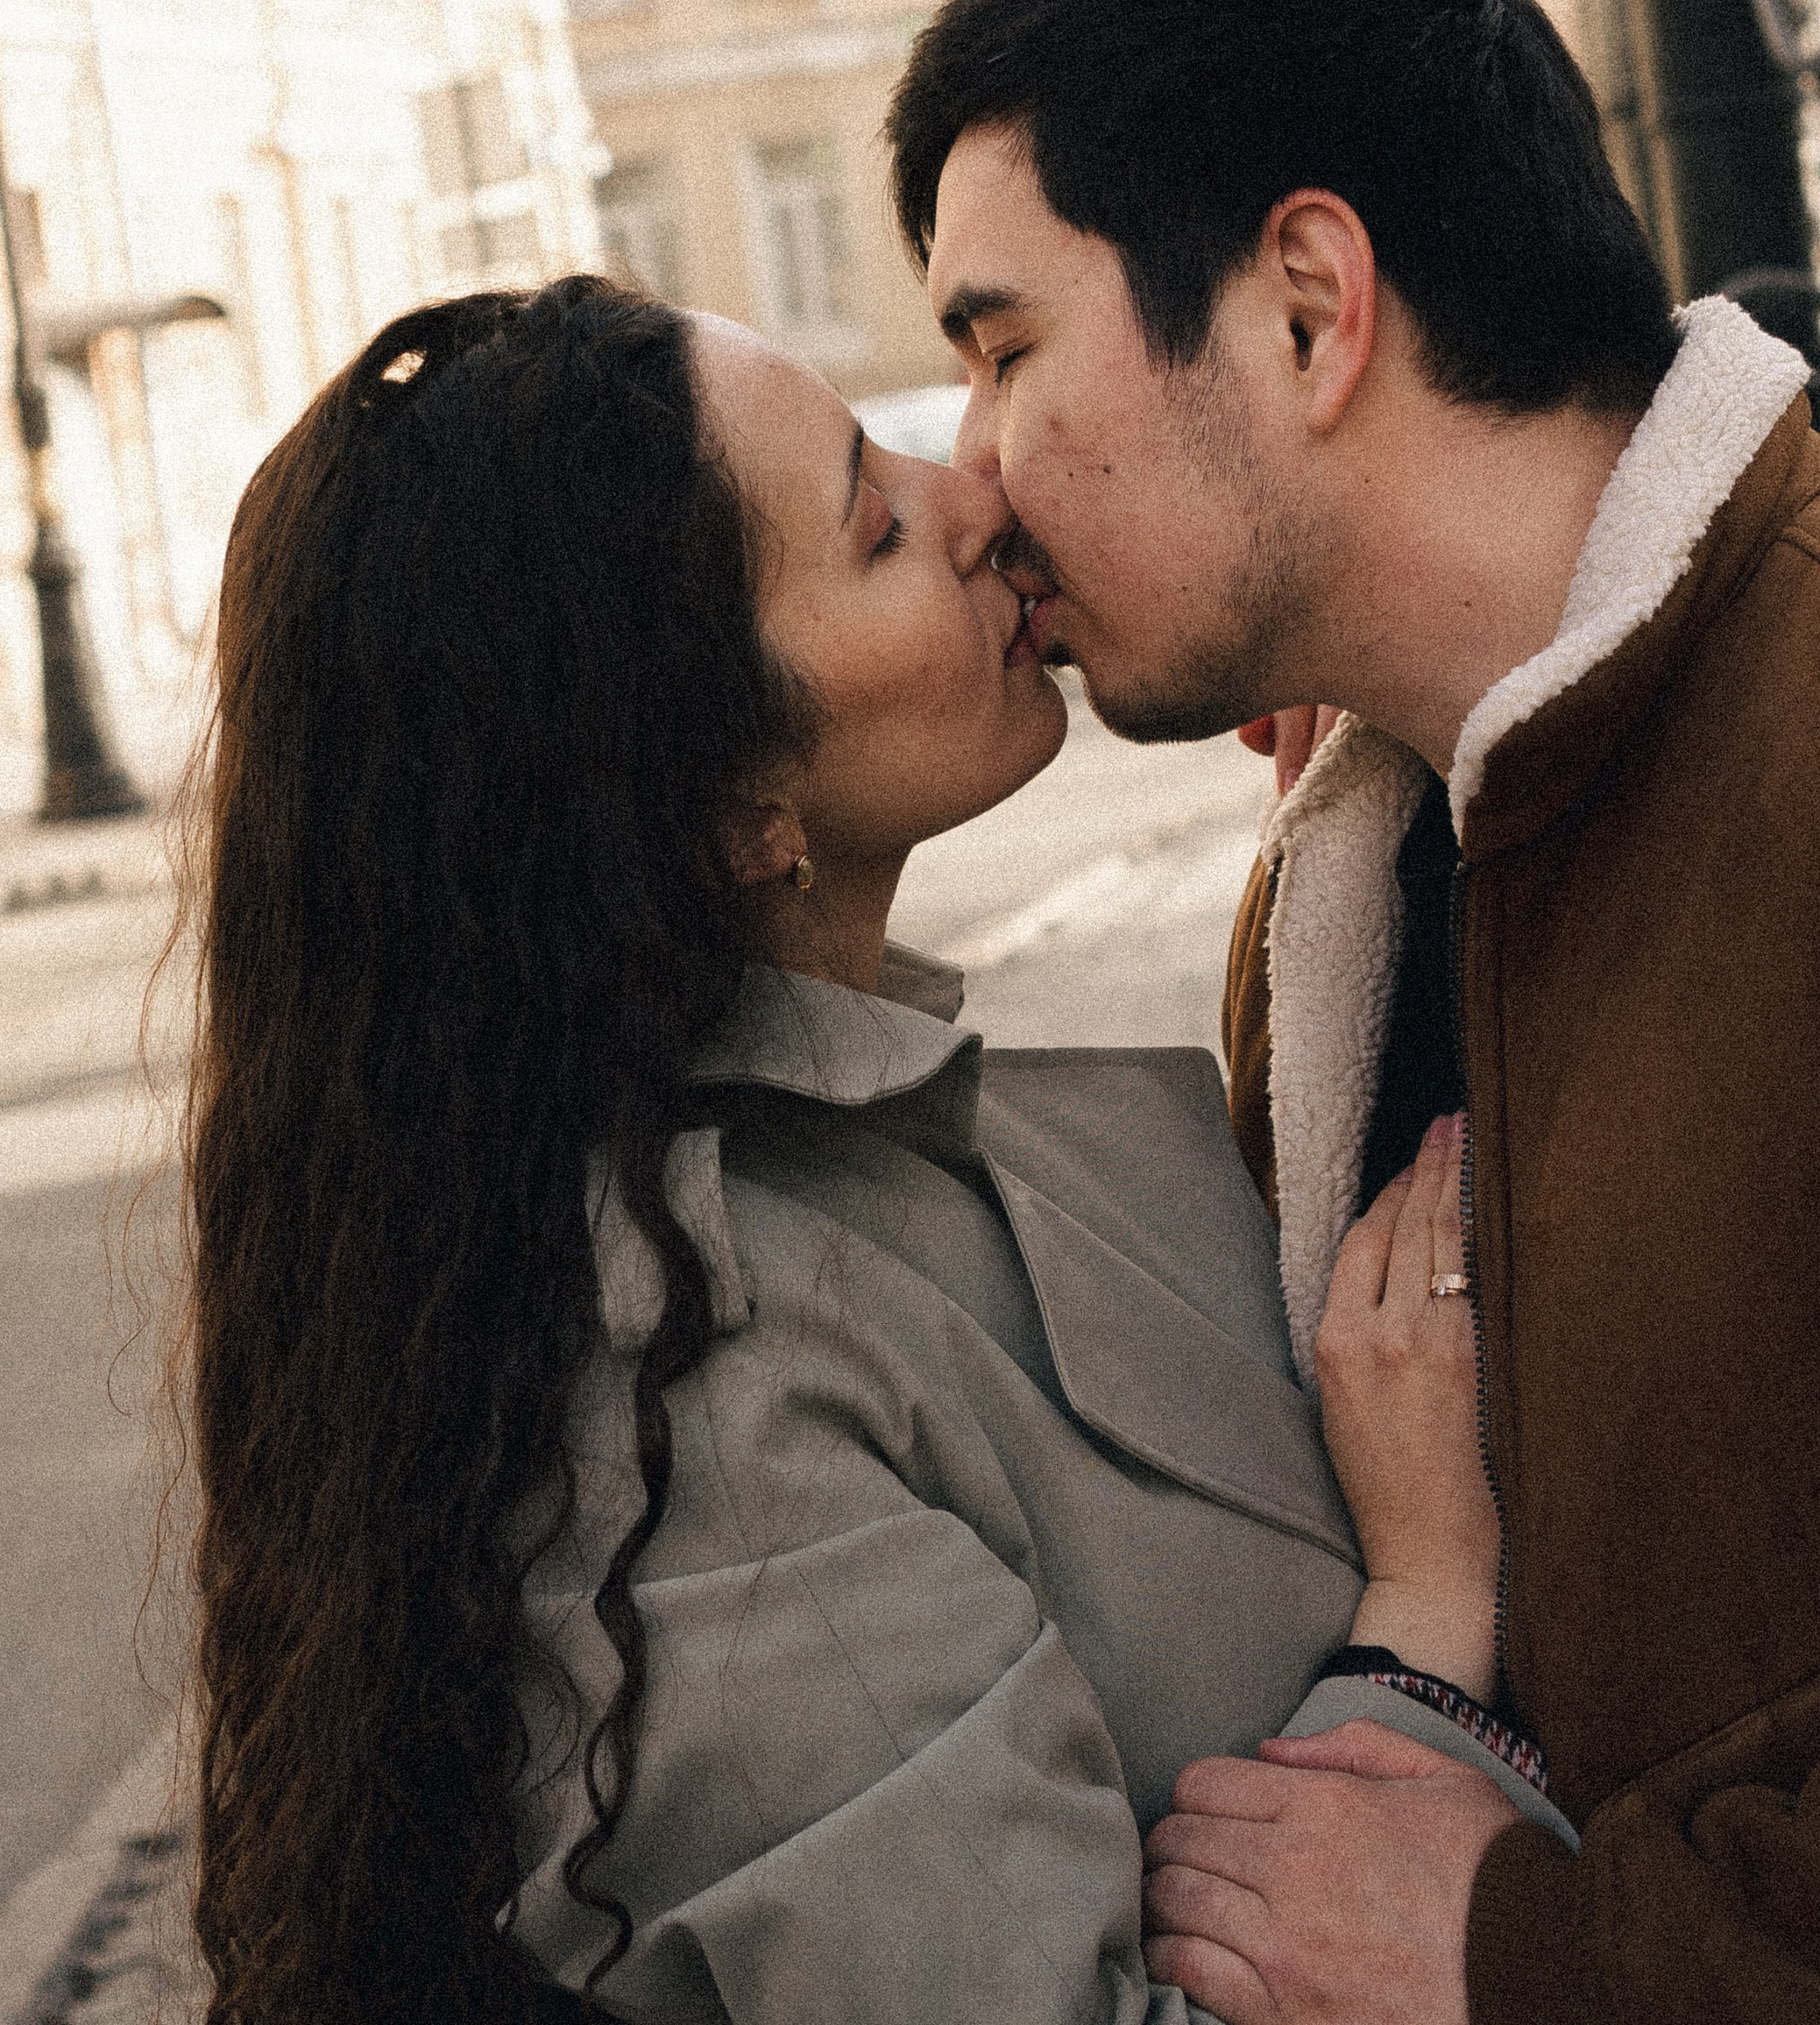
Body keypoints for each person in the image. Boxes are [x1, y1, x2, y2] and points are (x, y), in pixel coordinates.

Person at [886, 0, 1820, 2025]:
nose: (973, 472)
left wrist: (1562, 1963)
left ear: (1308, 307)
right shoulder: (1334, 900)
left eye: (1003, 346)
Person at [176, 273, 1563, 2025]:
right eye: (875, 519)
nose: (978, 496)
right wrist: (1427, 1623)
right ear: (725, 802)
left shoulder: (890, 1153)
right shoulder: (688, 1418)